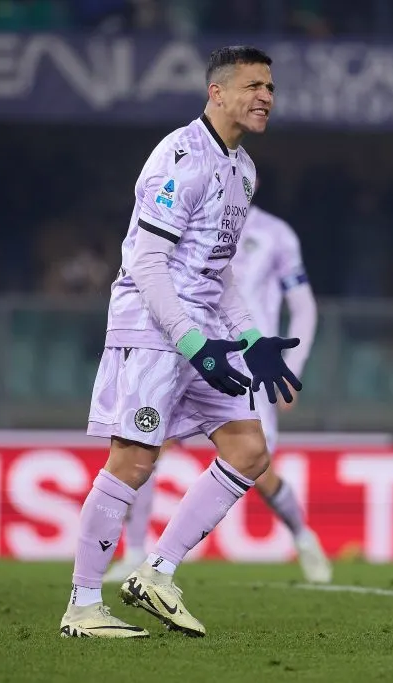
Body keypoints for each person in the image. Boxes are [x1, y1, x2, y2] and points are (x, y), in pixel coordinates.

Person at [60, 46, 300, 639]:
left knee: (249, 450)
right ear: (216, 93)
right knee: (134, 460)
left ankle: (157, 574)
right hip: (151, 327)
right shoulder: (179, 156)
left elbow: (217, 274)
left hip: (199, 331)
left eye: (270, 86)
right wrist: (195, 343)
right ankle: (83, 607)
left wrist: (252, 337)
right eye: (253, 85)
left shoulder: (243, 171)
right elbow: (147, 262)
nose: (266, 96)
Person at [101, 200, 330, 586]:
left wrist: (292, 366)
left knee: (259, 468)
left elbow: (304, 307)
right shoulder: (196, 223)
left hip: (248, 363)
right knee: (148, 443)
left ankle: (303, 536)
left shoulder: (275, 235)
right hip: (192, 351)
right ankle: (137, 553)